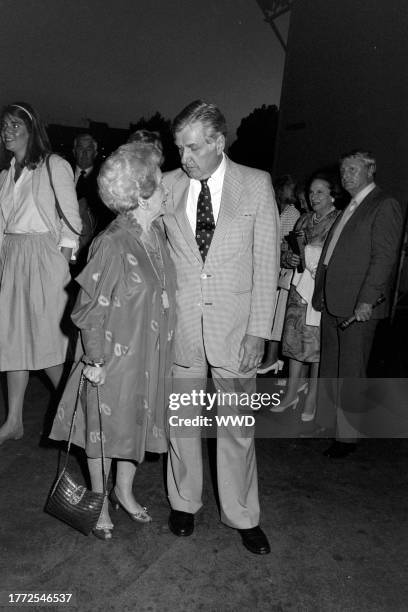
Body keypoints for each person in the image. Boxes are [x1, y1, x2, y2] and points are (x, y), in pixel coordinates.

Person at [162, 100, 280, 555]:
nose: (184, 158)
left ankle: (243, 514)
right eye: (179, 148)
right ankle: (184, 502)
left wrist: (259, 332)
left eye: (192, 148)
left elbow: (266, 263)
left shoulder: (255, 184)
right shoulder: (167, 186)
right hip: (183, 327)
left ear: (218, 142)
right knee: (182, 424)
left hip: (236, 330)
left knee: (236, 427)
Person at [50, 142, 176, 540]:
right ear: (141, 192)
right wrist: (96, 361)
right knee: (104, 430)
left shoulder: (156, 234)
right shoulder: (112, 242)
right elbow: (89, 308)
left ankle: (124, 490)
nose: (166, 188)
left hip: (148, 353)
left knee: (134, 426)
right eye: (159, 183)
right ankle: (101, 498)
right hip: (113, 357)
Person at [0, 102, 81, 446]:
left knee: (49, 342)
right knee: (13, 338)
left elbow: (71, 220)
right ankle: (14, 420)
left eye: (16, 125)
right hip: (14, 256)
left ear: (32, 129)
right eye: (4, 126)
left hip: (45, 257)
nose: (8, 131)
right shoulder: (5, 175)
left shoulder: (54, 165)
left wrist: (60, 260)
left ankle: (76, 415)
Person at [312, 150, 403, 458]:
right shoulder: (350, 207)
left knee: (351, 371)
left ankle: (347, 438)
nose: (346, 175)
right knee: (332, 368)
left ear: (370, 171)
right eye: (343, 170)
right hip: (333, 300)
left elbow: (384, 258)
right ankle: (329, 425)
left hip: (357, 306)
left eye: (353, 169)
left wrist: (367, 300)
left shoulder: (383, 204)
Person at [270, 173, 340, 420]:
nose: (314, 196)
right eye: (311, 192)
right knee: (292, 340)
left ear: (332, 194)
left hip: (320, 290)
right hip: (298, 289)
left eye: (320, 191)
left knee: (316, 345)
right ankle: (291, 392)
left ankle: (311, 396)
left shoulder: (338, 221)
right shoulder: (303, 220)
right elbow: (288, 251)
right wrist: (289, 258)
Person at [259, 174, 300, 374]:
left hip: (284, 270)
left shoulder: (292, 213)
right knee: (269, 313)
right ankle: (270, 358)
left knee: (277, 316)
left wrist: (281, 248)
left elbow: (289, 243)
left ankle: (272, 358)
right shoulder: (276, 210)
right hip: (272, 266)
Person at [72, 133, 114, 242]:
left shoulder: (105, 180)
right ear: (74, 151)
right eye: (81, 148)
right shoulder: (62, 174)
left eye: (89, 149)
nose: (85, 153)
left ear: (95, 153)